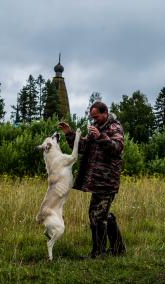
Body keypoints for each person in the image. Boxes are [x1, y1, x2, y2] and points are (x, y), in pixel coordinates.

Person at [58, 101, 126, 258]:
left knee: (96, 215)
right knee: (101, 214)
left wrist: (101, 136)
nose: (94, 119)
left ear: (105, 113)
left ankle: (99, 252)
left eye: (96, 116)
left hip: (108, 180)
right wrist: (69, 133)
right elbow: (82, 147)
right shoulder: (96, 127)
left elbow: (117, 147)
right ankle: (118, 249)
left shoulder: (114, 127)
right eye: (92, 117)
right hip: (97, 180)